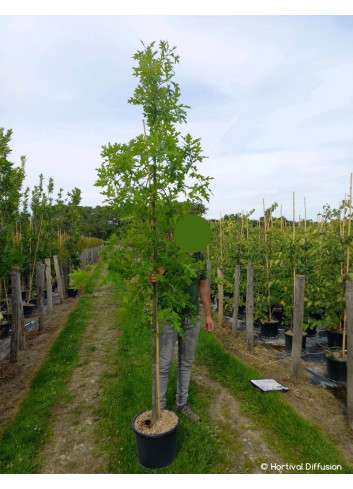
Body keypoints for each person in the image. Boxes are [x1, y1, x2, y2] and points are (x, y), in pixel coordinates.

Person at [149, 251, 214, 422]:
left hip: (191, 316)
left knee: (186, 362)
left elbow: (202, 285)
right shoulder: (168, 251)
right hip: (168, 314)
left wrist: (208, 315)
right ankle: (159, 410)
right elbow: (156, 276)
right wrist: (156, 276)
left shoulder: (199, 256)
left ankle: (182, 403)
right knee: (163, 363)